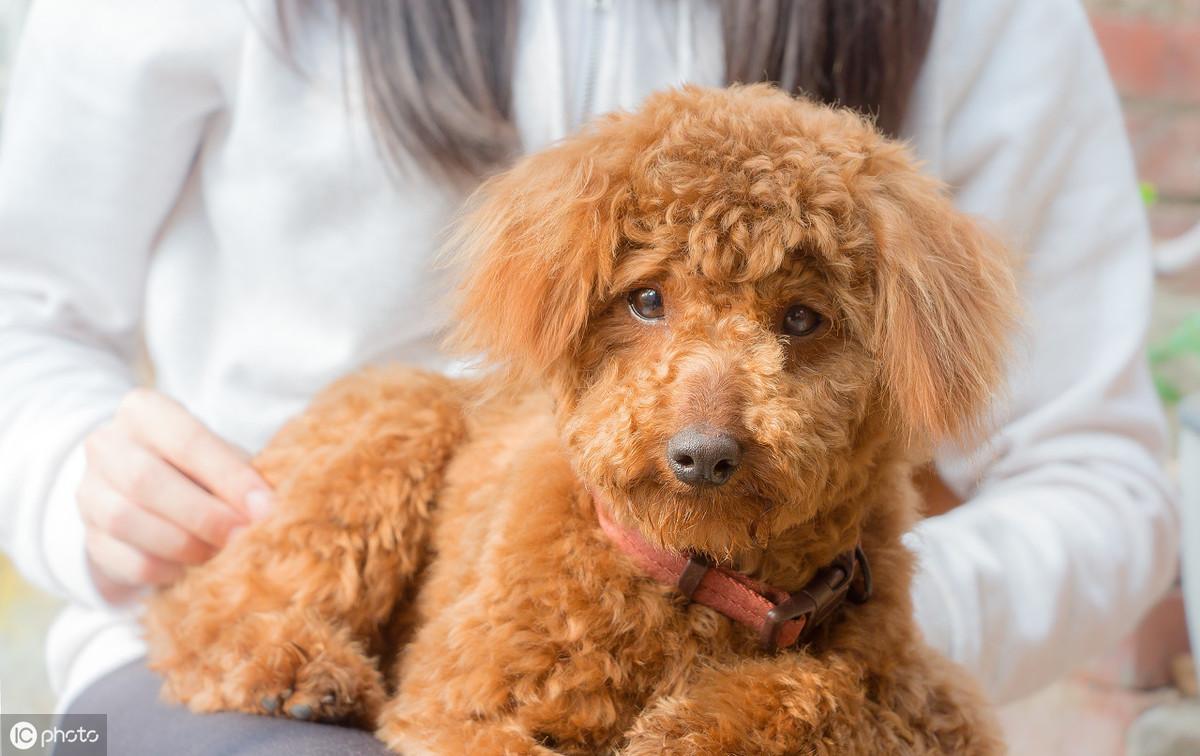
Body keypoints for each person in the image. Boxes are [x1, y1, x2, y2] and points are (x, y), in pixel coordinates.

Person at [0, 0, 1178, 751]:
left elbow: (1094, 467)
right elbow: (24, 302)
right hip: (254, 623)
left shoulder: (984, 23)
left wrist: (831, 639)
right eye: (647, 302)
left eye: (805, 317)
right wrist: (71, 478)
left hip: (813, 618)